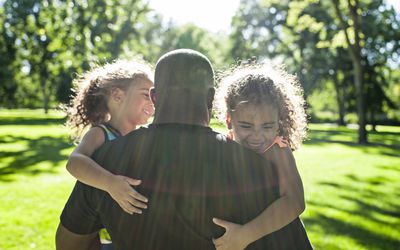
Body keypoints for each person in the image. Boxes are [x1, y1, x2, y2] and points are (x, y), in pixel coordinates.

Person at [56, 49, 312, 250]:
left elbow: (69, 244)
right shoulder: (256, 169)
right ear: (211, 99)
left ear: (155, 97)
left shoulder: (103, 164)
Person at [212, 63, 308, 249]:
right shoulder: (223, 144)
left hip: (283, 241)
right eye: (246, 126)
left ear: (279, 122)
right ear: (229, 120)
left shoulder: (277, 150)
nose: (257, 136)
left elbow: (294, 201)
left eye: (267, 126)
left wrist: (244, 235)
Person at [64, 59, 154, 247]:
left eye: (154, 96)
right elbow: (74, 161)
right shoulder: (101, 133)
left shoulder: (140, 137)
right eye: (146, 94)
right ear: (117, 95)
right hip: (85, 233)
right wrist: (111, 183)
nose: (152, 101)